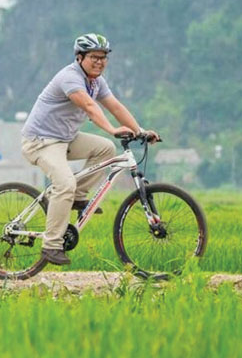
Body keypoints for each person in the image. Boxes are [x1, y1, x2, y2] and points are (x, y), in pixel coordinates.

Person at [20, 33, 160, 266]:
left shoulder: (96, 81)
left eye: (104, 57)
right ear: (79, 57)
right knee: (64, 184)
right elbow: (88, 106)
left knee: (105, 149)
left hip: (64, 139)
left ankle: (76, 197)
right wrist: (112, 129)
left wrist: (140, 130)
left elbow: (114, 105)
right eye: (94, 57)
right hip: (40, 141)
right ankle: (51, 245)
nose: (100, 62)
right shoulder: (70, 78)